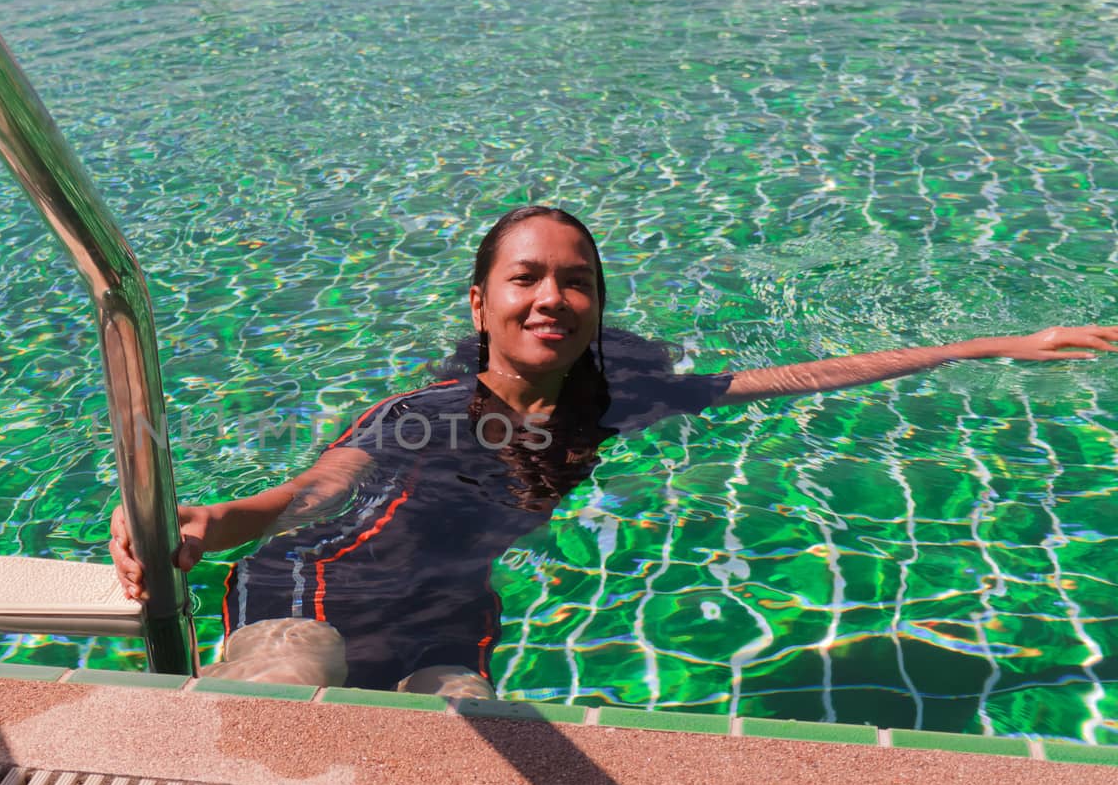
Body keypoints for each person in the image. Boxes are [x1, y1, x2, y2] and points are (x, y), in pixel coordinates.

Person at [109, 205, 1117, 696]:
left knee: (462, 730)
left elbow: (807, 376)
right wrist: (205, 522)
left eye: (575, 279)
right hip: (314, 588)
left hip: (452, 609)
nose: (551, 295)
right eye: (524, 277)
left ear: (594, 306)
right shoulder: (421, 412)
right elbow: (307, 493)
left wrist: (993, 345)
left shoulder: (616, 405)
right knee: (293, 675)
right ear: (482, 302)